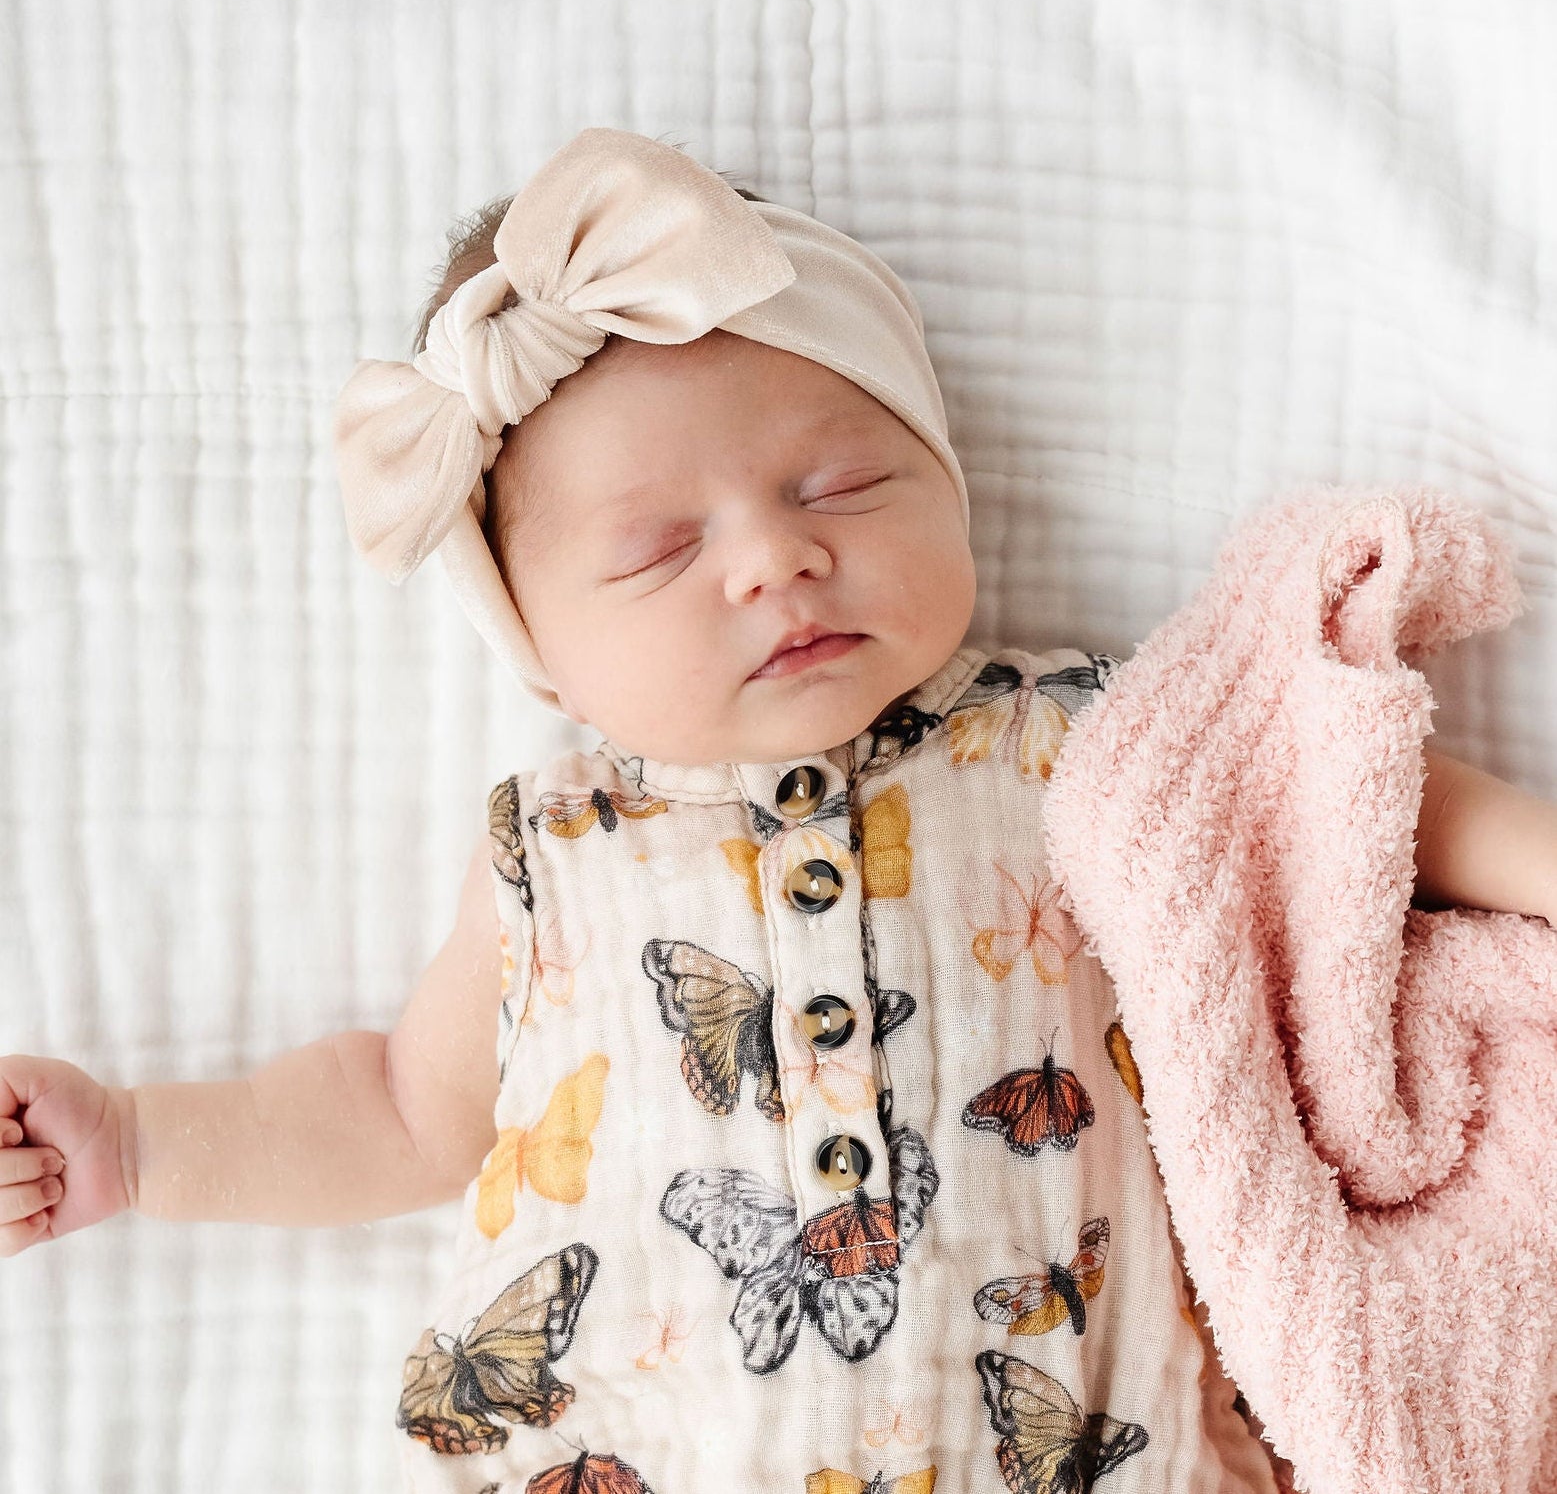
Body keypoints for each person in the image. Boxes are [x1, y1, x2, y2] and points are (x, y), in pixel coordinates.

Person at [4, 127, 1554, 1494]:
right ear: (542, 653)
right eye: (658, 549)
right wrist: (140, 1146)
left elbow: (1346, 791)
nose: (771, 560)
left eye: (841, 485)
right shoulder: (552, 854)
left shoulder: (1068, 731)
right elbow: (404, 1105)